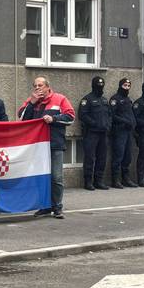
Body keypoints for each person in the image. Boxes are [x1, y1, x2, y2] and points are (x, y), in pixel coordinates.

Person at [18, 76, 75, 219]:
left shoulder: (60, 99)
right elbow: (22, 119)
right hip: (38, 147)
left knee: (56, 177)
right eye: (35, 86)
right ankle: (44, 206)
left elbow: (71, 117)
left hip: (55, 144)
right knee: (41, 177)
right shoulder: (32, 101)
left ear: (48, 87)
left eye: (40, 85)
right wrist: (31, 103)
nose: (37, 88)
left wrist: (54, 119)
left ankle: (57, 207)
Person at [78, 76, 111, 191]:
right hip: (91, 133)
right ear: (93, 85)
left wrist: (108, 125)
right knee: (90, 158)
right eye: (98, 85)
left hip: (103, 133)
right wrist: (94, 123)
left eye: (102, 85)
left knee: (102, 158)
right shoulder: (87, 100)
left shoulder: (104, 100)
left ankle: (98, 181)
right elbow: (82, 115)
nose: (100, 87)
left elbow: (109, 115)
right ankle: (88, 182)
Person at [109, 78, 137, 188]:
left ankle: (126, 179)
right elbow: (112, 115)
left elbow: (131, 114)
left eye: (128, 86)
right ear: (120, 86)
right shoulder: (115, 99)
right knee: (118, 155)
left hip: (128, 131)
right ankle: (115, 180)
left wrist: (133, 124)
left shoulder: (128, 100)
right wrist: (124, 121)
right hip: (119, 131)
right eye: (125, 85)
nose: (127, 87)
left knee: (127, 156)